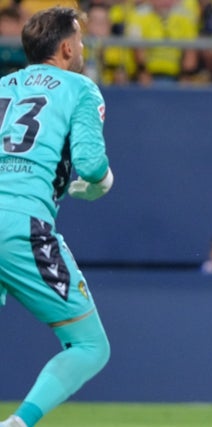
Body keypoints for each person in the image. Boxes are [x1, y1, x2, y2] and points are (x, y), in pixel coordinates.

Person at [0, 7, 115, 427]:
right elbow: (90, 163)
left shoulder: (2, 87)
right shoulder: (80, 88)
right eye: (80, 40)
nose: (82, 47)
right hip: (20, 224)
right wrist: (103, 182)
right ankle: (18, 424)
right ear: (67, 47)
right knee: (90, 346)